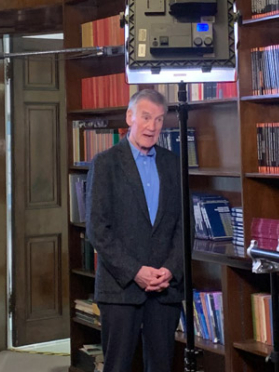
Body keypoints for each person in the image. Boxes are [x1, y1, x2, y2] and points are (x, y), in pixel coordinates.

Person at [86, 89, 184, 372]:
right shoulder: (105, 164)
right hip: (121, 289)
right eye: (145, 117)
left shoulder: (173, 164)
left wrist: (171, 269)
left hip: (165, 289)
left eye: (159, 119)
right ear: (130, 117)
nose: (152, 126)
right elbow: (97, 229)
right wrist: (135, 272)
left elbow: (183, 227)